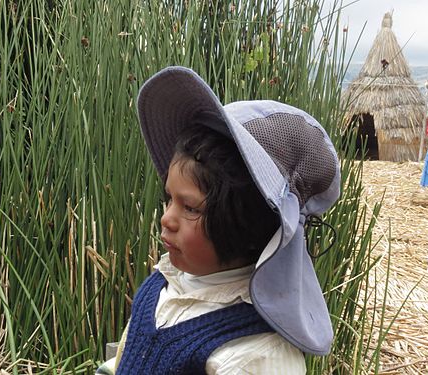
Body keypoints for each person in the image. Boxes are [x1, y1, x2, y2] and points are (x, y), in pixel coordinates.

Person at [96, 66, 341, 374]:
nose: (166, 219)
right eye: (169, 199)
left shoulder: (253, 354)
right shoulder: (161, 285)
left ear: (247, 226)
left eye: (191, 209)